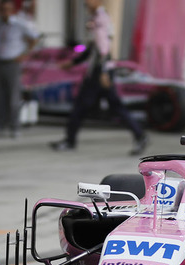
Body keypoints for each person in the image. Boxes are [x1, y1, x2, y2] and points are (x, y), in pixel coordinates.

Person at [50, 0, 148, 155]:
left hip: (99, 72)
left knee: (82, 106)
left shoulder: (100, 19)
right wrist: (73, 62)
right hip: (101, 70)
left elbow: (103, 49)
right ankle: (139, 135)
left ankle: (70, 140)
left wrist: (102, 72)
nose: (86, 3)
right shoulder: (99, 17)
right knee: (114, 106)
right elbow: (93, 49)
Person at [0, 0, 39, 138]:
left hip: (13, 62)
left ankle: (15, 127)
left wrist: (25, 54)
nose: (5, 13)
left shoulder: (20, 24)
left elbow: (34, 38)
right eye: (3, 10)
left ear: (12, 11)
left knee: (13, 97)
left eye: (8, 10)